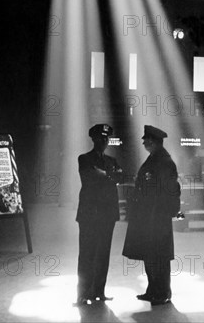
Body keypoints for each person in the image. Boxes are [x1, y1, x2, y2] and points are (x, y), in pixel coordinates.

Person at [123, 125, 181, 306]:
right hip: (147, 216)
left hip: (157, 217)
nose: (144, 143)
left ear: (156, 142)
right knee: (150, 255)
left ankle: (163, 292)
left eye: (147, 140)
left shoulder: (164, 162)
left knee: (160, 257)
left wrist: (166, 213)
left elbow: (171, 191)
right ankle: (153, 290)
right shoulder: (154, 159)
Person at [75, 124, 123, 306]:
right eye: (100, 138)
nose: (104, 141)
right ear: (93, 139)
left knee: (103, 254)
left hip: (107, 214)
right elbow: (90, 178)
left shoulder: (111, 160)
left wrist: (104, 175)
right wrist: (111, 175)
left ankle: (99, 291)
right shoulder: (84, 159)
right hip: (90, 214)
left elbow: (120, 177)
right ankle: (83, 293)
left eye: (106, 139)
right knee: (87, 254)